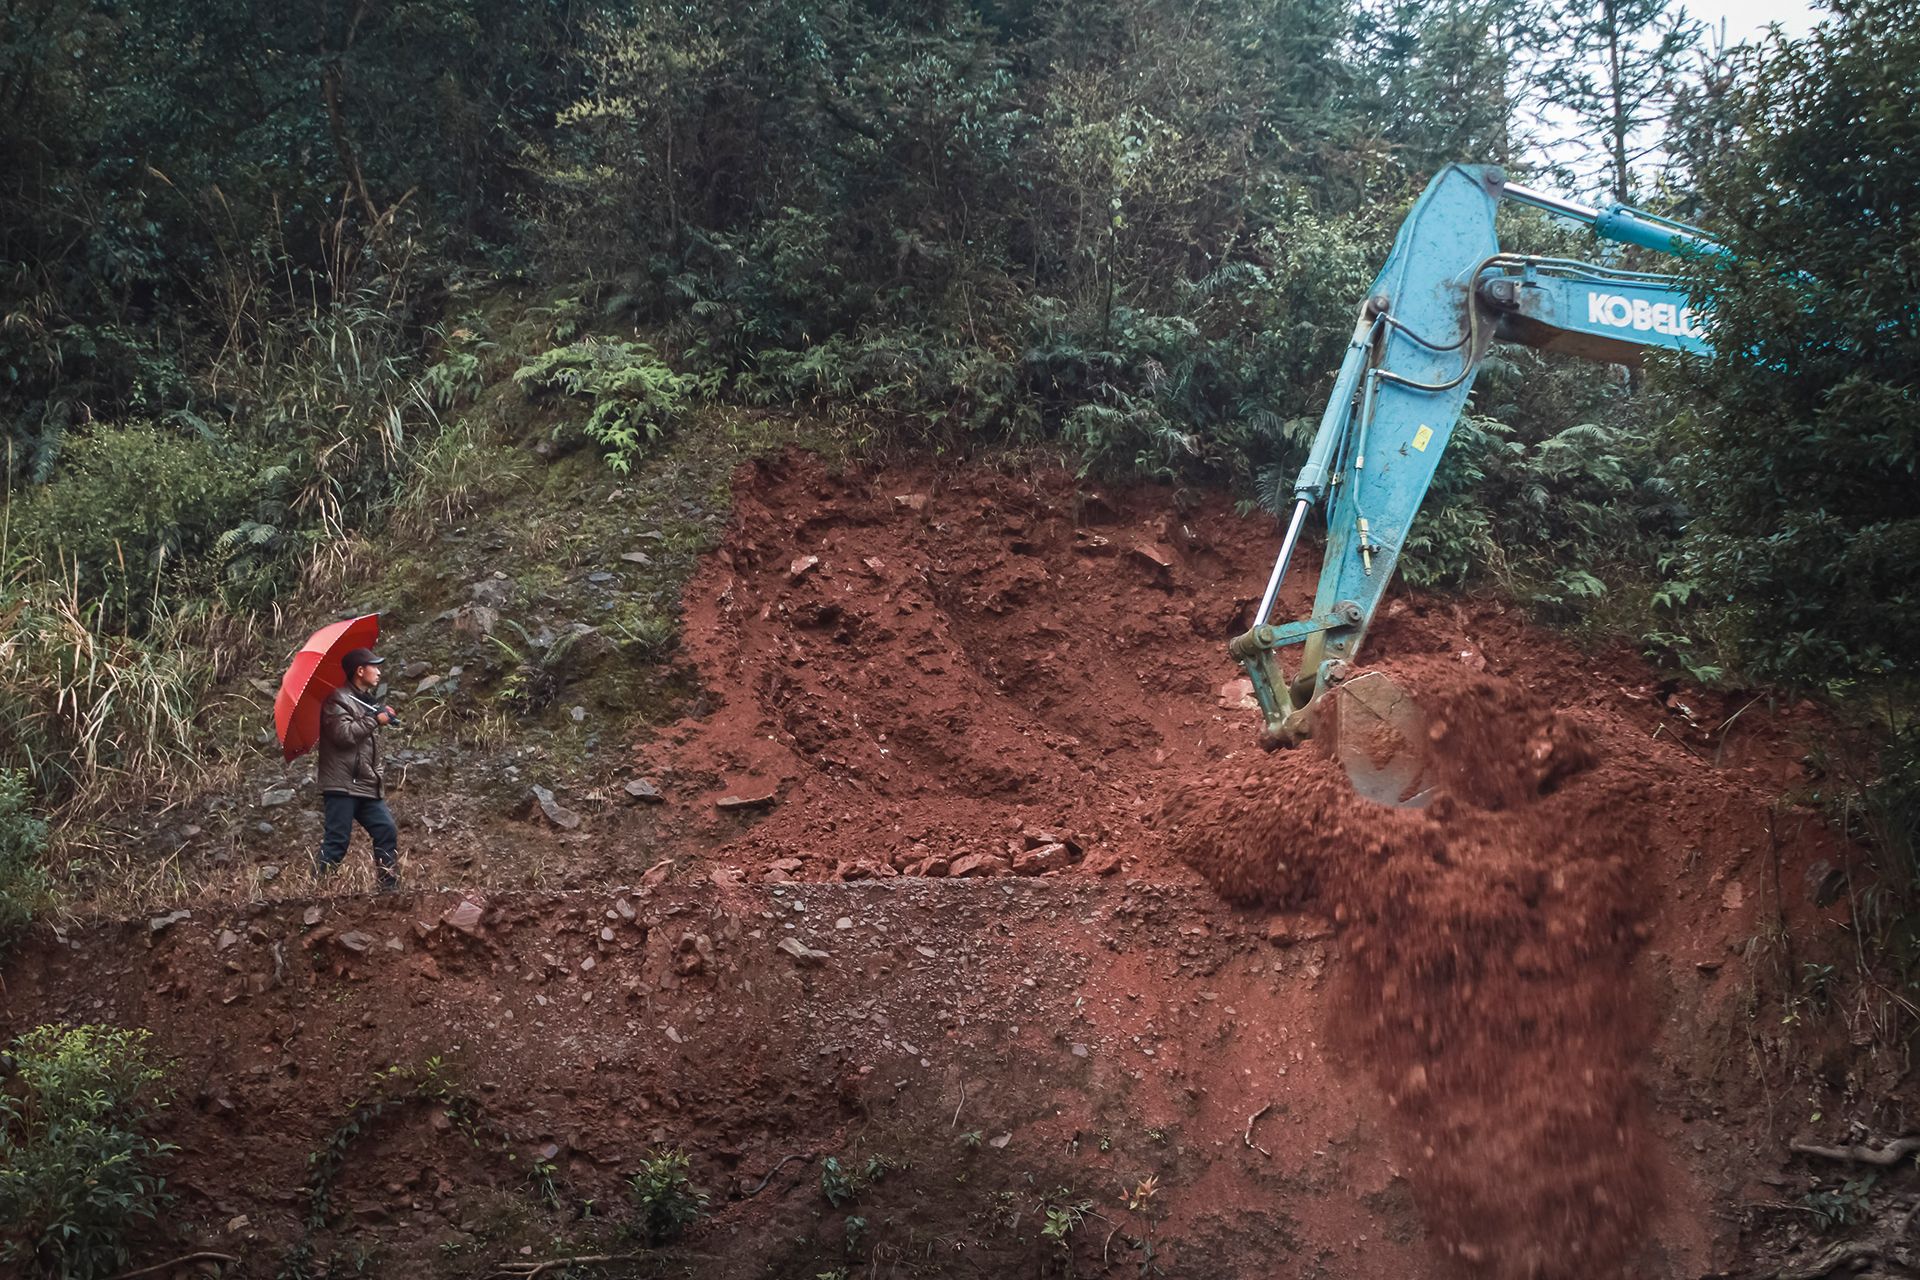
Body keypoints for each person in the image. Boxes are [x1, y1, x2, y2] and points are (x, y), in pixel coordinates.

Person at [315, 646, 400, 892]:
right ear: (360, 671)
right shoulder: (336, 699)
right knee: (337, 843)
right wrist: (374, 720)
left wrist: (381, 715)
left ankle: (389, 890)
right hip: (341, 785)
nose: (379, 672)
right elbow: (344, 735)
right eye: (374, 666)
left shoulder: (365, 702)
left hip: (365, 784)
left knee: (386, 829)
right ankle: (313, 890)